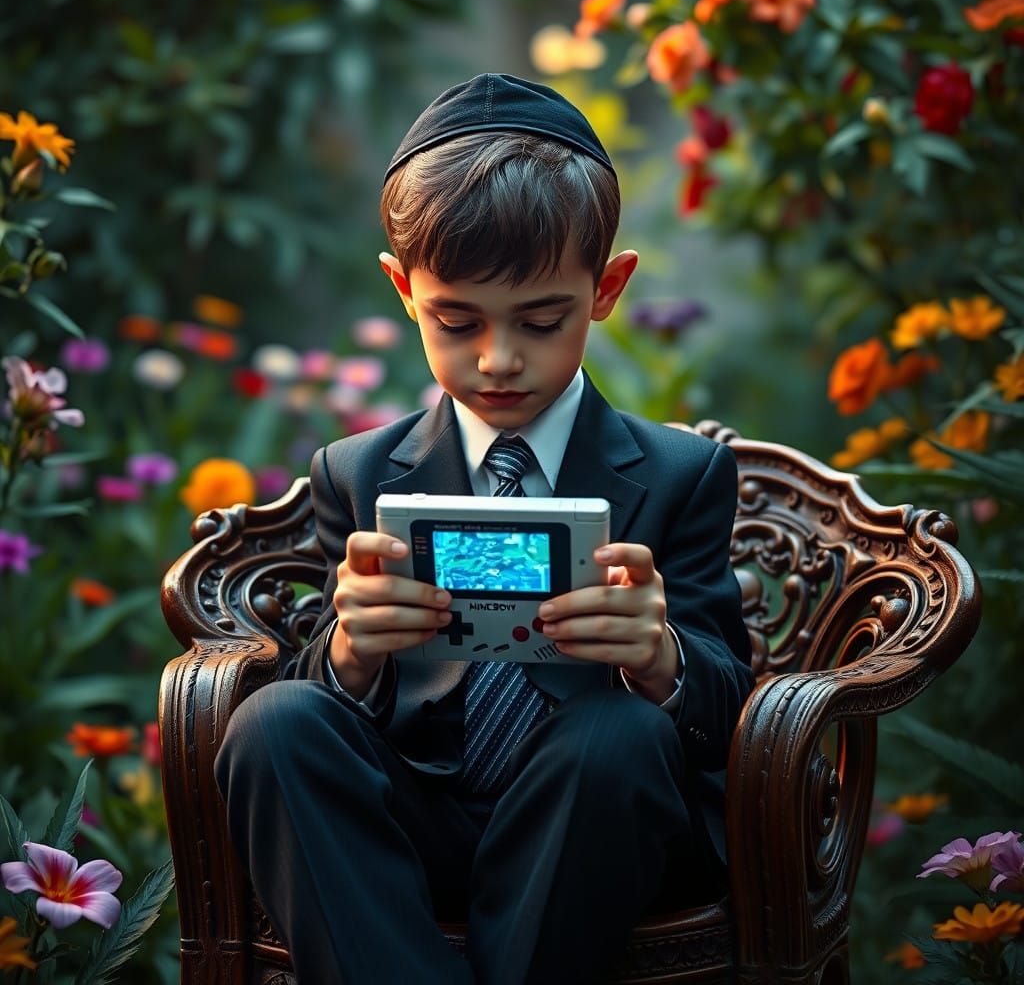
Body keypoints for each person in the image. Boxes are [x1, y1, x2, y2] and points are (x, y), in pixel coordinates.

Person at [214, 72, 755, 985]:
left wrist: (663, 659)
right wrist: (349, 653)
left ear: (608, 288)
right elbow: (323, 702)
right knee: (275, 721)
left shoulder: (679, 475)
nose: (499, 360)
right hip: (410, 823)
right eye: (456, 322)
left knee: (619, 737)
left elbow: (729, 706)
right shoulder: (357, 472)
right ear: (402, 290)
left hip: (590, 825)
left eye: (543, 322)